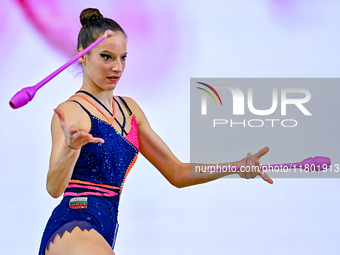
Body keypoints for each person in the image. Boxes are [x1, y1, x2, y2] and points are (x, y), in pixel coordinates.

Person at [38, 7, 273, 255]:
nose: (117, 67)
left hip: (106, 228)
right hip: (73, 225)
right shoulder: (73, 111)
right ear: (82, 56)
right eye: (107, 57)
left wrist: (235, 166)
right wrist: (71, 148)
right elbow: (54, 188)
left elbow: (177, 172)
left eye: (123, 57)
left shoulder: (130, 110)